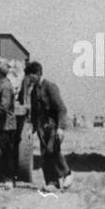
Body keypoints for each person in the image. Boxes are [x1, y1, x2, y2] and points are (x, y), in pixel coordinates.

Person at [26, 60, 72, 190]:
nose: (30, 79)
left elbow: (62, 108)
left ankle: (67, 173)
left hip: (53, 126)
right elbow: (35, 113)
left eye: (32, 75)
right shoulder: (34, 91)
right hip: (42, 128)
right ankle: (52, 182)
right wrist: (32, 129)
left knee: (53, 150)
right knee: (45, 155)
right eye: (29, 76)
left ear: (38, 74)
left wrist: (61, 128)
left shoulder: (50, 87)